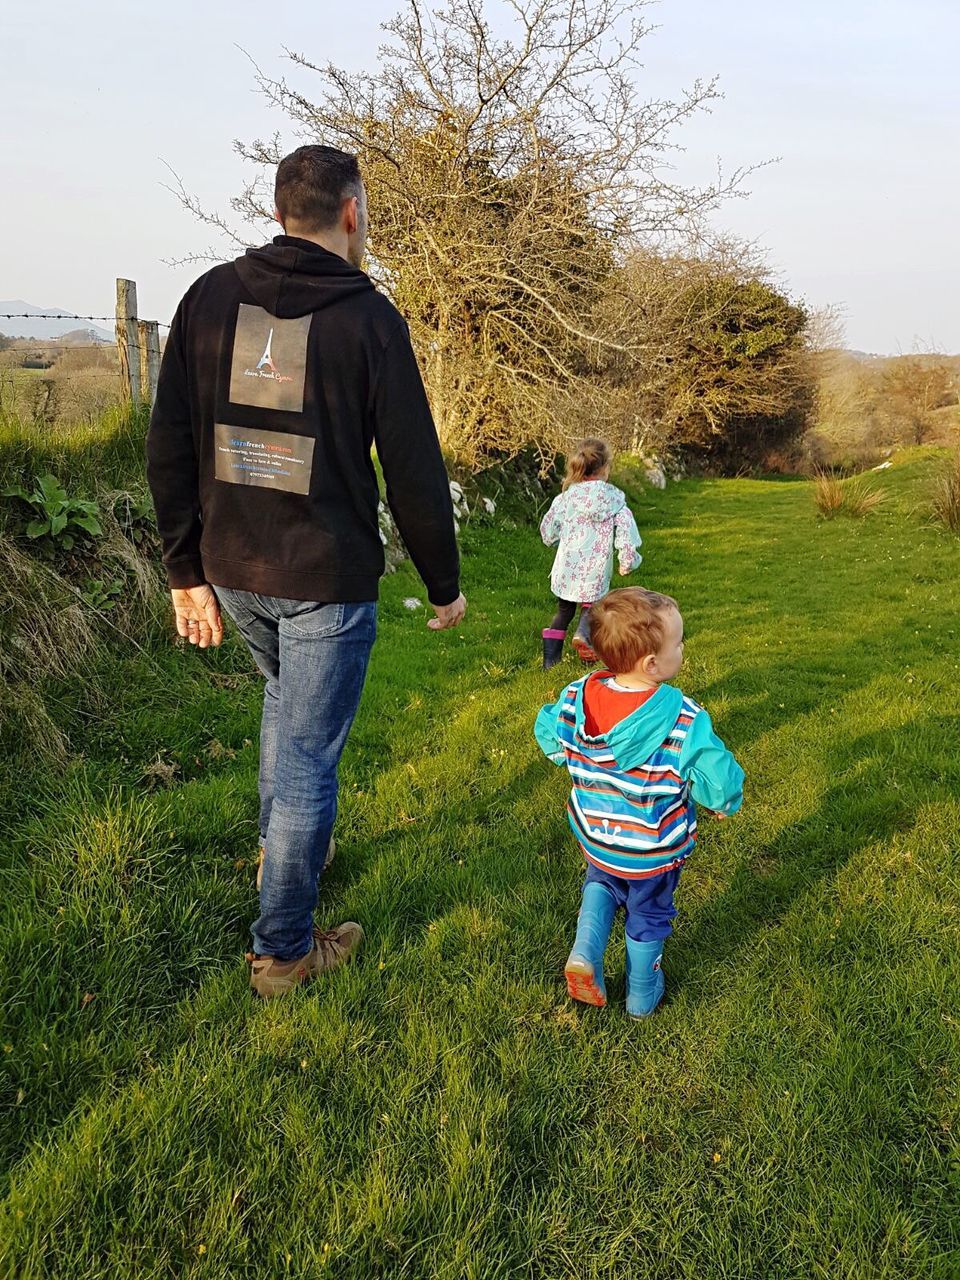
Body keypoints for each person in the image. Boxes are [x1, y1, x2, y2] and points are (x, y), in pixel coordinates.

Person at [146, 144, 466, 999]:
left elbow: (167, 444)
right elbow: (414, 470)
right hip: (322, 577)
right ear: (351, 212)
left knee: (286, 712)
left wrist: (185, 570)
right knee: (308, 762)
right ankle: (283, 949)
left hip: (231, 569)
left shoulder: (209, 298)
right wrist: (444, 583)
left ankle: (277, 859)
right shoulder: (369, 320)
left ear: (282, 207)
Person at [534, 588, 743, 1018]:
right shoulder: (683, 718)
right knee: (648, 912)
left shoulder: (576, 696)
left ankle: (586, 949)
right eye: (679, 642)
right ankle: (642, 995)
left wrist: (564, 754)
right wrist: (723, 800)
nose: (684, 647)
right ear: (651, 663)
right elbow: (716, 774)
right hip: (652, 849)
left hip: (598, 835)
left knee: (602, 882)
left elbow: (549, 731)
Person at [539, 438, 642, 670]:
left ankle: (550, 661)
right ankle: (584, 637)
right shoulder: (614, 499)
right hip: (594, 570)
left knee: (564, 611)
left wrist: (557, 540)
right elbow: (626, 529)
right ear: (605, 468)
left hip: (567, 568)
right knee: (592, 608)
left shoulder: (566, 498)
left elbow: (548, 530)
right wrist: (627, 560)